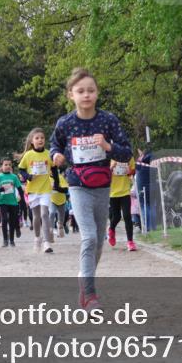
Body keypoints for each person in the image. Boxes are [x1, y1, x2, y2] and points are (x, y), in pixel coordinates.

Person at [50, 68, 132, 310]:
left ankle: (84, 281)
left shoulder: (108, 120)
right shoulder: (65, 123)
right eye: (80, 91)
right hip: (77, 184)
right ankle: (90, 295)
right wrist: (55, 156)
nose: (86, 95)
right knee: (89, 237)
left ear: (97, 93)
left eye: (91, 90)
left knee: (98, 242)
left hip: (103, 185)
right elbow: (55, 145)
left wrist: (108, 146)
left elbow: (126, 152)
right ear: (71, 95)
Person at [19, 129, 55, 254]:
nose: (40, 140)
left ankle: (46, 242)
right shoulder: (28, 155)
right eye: (37, 138)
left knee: (44, 214)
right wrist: (28, 177)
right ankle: (37, 238)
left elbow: (54, 169)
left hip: (45, 189)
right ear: (32, 141)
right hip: (33, 190)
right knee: (36, 216)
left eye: (42, 138)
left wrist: (56, 181)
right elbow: (21, 169)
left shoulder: (49, 154)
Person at [108, 155, 137, 250]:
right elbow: (104, 175)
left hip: (125, 191)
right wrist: (111, 167)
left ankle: (130, 242)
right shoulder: (109, 156)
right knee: (116, 216)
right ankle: (111, 229)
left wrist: (130, 171)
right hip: (113, 192)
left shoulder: (128, 156)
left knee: (127, 216)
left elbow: (133, 172)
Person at [0, 158, 23, 247]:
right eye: (5, 165)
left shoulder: (14, 177)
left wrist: (22, 200)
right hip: (2, 201)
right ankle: (5, 240)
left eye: (9, 165)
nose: (8, 166)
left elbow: (19, 188)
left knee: (12, 220)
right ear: (2, 166)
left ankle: (12, 240)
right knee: (4, 219)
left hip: (13, 202)